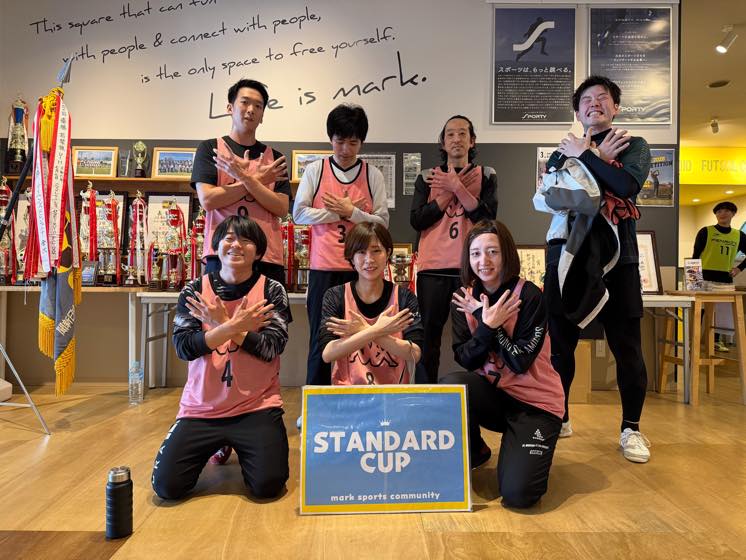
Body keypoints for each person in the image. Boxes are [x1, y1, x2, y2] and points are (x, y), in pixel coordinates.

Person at [544, 75, 652, 462]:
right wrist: (594, 159)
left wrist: (589, 157)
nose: (594, 103)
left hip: (619, 259)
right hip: (568, 257)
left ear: (615, 107)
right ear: (578, 112)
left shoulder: (634, 145)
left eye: (603, 97)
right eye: (586, 100)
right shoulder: (561, 151)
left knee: (627, 347)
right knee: (560, 346)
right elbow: (552, 195)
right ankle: (560, 416)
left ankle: (631, 429)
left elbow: (625, 186)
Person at [151, 215, 291, 500]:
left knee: (268, 486)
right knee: (166, 487)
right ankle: (219, 443)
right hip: (201, 409)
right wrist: (233, 327)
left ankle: (238, 442)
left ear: (259, 252)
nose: (236, 245)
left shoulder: (272, 290)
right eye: (228, 238)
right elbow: (185, 348)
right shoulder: (194, 290)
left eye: (246, 240)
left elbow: (271, 348)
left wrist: (222, 324)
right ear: (216, 246)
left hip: (256, 406)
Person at [442, 220, 564, 508]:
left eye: (492, 252)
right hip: (496, 398)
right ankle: (477, 450)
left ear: (506, 253)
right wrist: (486, 325)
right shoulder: (465, 298)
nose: (483, 261)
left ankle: (523, 445)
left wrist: (489, 324)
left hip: (536, 406)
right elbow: (465, 357)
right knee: (452, 385)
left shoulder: (529, 296)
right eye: (475, 253)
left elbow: (519, 362)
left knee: (518, 495)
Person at [293, 104, 389, 392]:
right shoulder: (316, 170)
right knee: (321, 341)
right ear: (330, 139)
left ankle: (358, 397)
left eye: (353, 142)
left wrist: (353, 212)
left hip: (362, 272)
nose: (346, 149)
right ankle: (316, 403)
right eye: (339, 141)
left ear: (362, 142)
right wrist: (337, 213)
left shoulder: (372, 175)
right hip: (323, 269)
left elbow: (383, 223)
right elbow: (299, 214)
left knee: (361, 338)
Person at [410, 115, 497, 383]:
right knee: (428, 339)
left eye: (462, 134)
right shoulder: (427, 177)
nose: (456, 139)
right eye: (450, 134)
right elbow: (417, 220)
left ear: (472, 141)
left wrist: (457, 186)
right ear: (442, 142)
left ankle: (476, 392)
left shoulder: (486, 174)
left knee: (473, 335)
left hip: (469, 270)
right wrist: (448, 191)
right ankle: (425, 394)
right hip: (432, 269)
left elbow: (487, 220)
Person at [191, 78, 290, 285]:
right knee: (216, 307)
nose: (251, 110)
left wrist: (246, 179)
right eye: (244, 102)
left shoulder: (275, 158)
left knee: (268, 307)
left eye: (258, 106)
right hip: (222, 255)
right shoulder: (211, 149)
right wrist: (258, 180)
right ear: (230, 108)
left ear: (262, 116)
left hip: (266, 257)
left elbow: (281, 208)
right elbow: (208, 200)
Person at [320, 222, 423, 384]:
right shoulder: (335, 296)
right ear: (351, 257)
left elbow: (414, 353)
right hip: (347, 393)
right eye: (361, 252)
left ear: (388, 253)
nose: (369, 259)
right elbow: (327, 354)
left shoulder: (404, 297)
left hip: (393, 393)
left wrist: (363, 330)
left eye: (376, 251)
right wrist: (377, 330)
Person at [693, 201, 746, 352]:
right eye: (719, 211)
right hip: (704, 277)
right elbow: (695, 255)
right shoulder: (706, 231)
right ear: (716, 215)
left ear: (733, 214)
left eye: (727, 211)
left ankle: (715, 341)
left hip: (725, 280)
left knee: (721, 313)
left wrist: (739, 269)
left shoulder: (738, 235)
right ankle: (695, 342)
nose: (723, 214)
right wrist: (694, 280)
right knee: (701, 311)